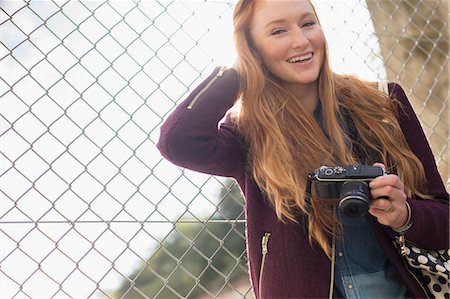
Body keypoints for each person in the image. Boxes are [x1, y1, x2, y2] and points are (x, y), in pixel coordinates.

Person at [157, 0, 449, 298]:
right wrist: (237, 71)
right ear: (252, 48)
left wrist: (404, 214)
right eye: (278, 31)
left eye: (308, 24)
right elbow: (177, 142)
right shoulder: (249, 132)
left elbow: (445, 217)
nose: (301, 41)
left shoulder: (383, 103)